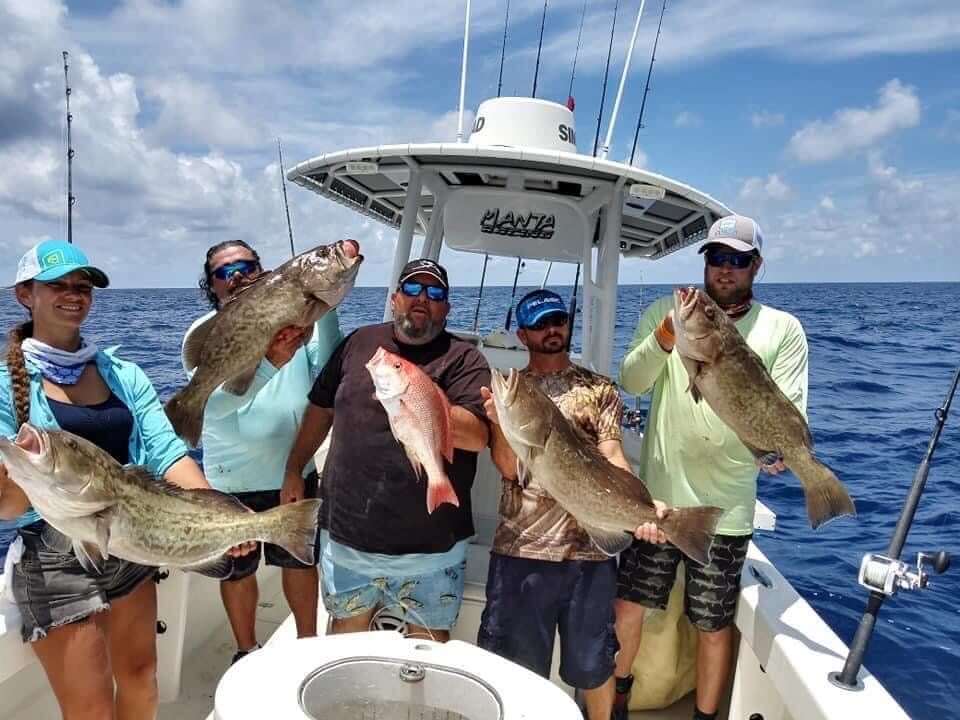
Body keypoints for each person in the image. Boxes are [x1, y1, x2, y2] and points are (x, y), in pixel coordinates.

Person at [0, 240, 243, 720]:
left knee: (141, 682)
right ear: (25, 294)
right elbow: (8, 508)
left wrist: (224, 517)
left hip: (130, 540)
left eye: (82, 286)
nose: (73, 294)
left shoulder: (123, 373)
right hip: (55, 558)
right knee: (90, 710)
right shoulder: (7, 385)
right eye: (58, 285)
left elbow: (167, 451)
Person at [612, 215, 808, 720]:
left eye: (737, 261)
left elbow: (786, 409)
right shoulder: (667, 311)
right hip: (657, 501)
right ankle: (616, 700)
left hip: (726, 512)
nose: (724, 270)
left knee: (712, 623)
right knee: (628, 606)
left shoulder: (782, 329)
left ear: (755, 266)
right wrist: (662, 338)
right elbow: (631, 382)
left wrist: (777, 449)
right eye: (716, 258)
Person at [478, 289, 664, 720]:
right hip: (521, 551)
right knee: (517, 669)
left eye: (558, 320)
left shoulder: (599, 389)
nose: (552, 330)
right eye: (540, 325)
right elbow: (508, 468)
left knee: (594, 664)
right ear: (523, 335)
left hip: (589, 553)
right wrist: (497, 423)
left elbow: (614, 455)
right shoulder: (512, 391)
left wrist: (641, 508)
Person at [283, 258, 490, 642]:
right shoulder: (358, 342)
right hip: (349, 538)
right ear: (394, 299)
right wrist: (294, 467)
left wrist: (420, 393)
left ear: (446, 307)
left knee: (428, 655)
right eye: (412, 289)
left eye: (435, 293)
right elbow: (320, 408)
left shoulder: (465, 360)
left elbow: (478, 437)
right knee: (346, 644)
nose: (422, 299)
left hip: (433, 546)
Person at [183, 239, 344, 664]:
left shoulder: (300, 324)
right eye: (224, 270)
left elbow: (330, 369)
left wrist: (322, 308)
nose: (236, 273)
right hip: (230, 478)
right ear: (212, 284)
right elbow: (217, 406)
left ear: (262, 268)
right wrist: (272, 361)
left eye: (246, 264)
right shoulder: (206, 334)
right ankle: (245, 650)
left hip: (293, 469)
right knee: (238, 569)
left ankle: (308, 647)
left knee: (299, 562)